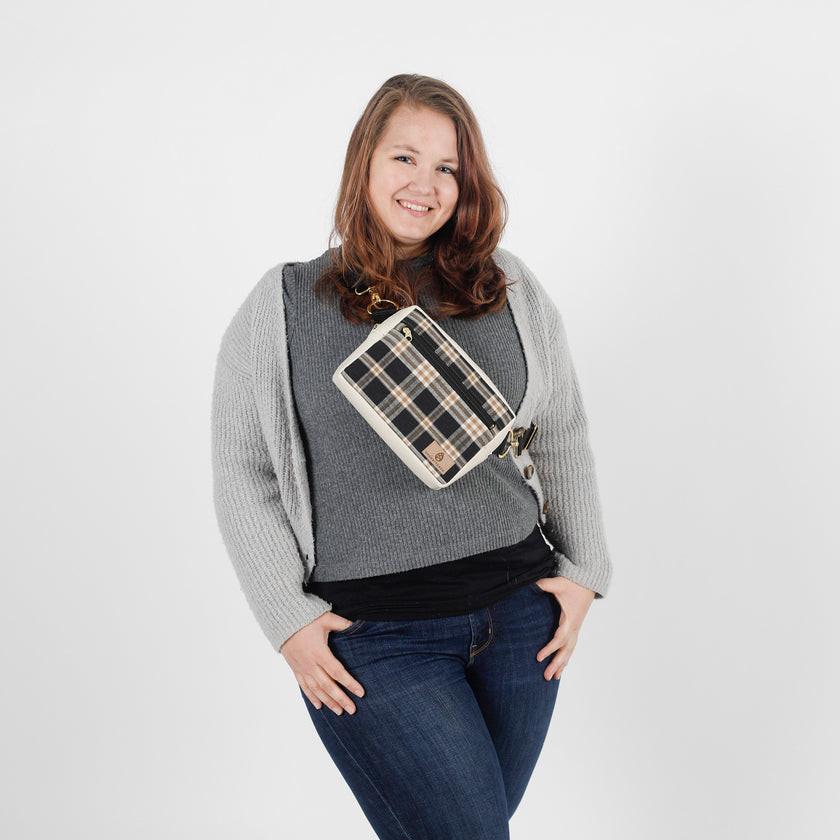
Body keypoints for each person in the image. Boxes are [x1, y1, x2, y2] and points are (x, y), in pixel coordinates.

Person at [211, 73, 612, 839]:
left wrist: (586, 569)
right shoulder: (285, 303)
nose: (425, 185)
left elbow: (560, 429)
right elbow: (244, 470)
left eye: (447, 168)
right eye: (404, 157)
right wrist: (287, 620)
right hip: (375, 640)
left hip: (520, 621)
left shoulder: (509, 286)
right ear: (364, 161)